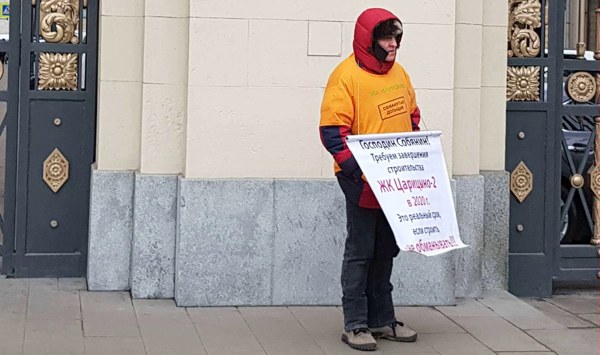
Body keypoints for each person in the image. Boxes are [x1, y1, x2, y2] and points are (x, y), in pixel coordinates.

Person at [319, 8, 421, 352]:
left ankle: (383, 319)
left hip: (396, 181)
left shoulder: (400, 74)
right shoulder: (344, 77)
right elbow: (333, 133)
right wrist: (358, 172)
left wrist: (416, 156)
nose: (393, 45)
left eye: (397, 38)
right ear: (368, 40)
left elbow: (412, 116)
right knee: (361, 251)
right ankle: (356, 324)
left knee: (386, 250)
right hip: (361, 181)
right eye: (387, 38)